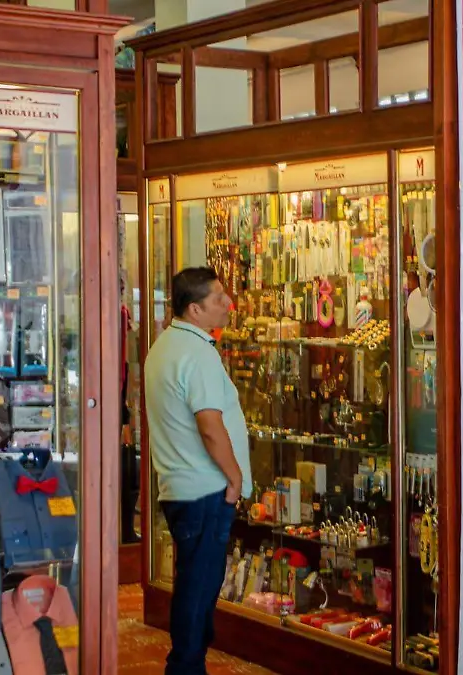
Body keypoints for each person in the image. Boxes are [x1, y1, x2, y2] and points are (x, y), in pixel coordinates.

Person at [144, 267, 252, 675]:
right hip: (205, 490)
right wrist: (235, 476)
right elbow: (209, 424)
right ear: (195, 309)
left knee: (194, 581)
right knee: (199, 587)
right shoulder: (197, 352)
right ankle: (185, 666)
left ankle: (189, 662)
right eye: (218, 298)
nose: (228, 304)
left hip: (180, 487)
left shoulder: (164, 347)